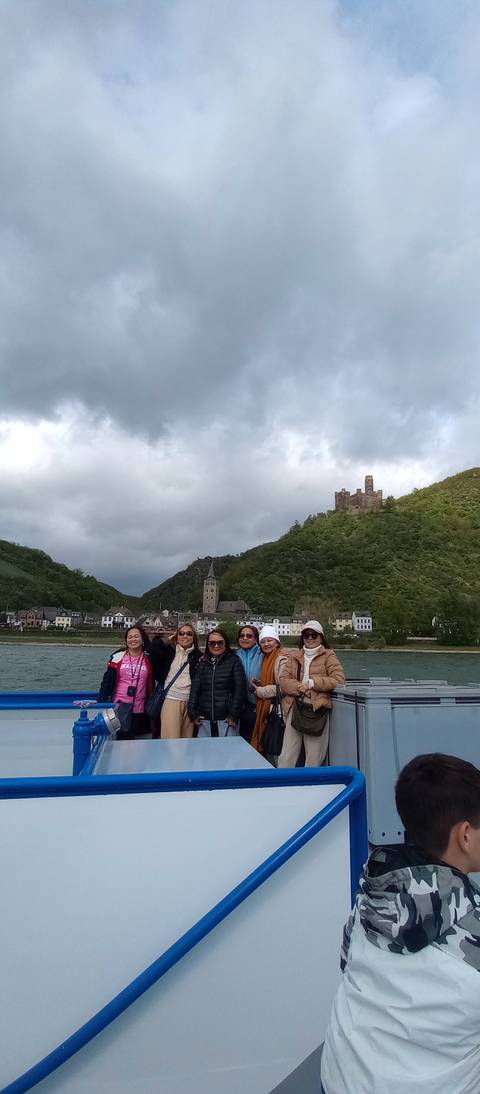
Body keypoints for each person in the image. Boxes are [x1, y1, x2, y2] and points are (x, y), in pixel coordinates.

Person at [321, 753, 480, 1094]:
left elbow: (345, 961)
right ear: (465, 835)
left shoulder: (371, 895)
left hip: (338, 1081)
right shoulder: (473, 932)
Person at [277, 620, 345, 767]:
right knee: (287, 753)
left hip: (317, 708)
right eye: (306, 635)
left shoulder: (329, 655)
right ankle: (281, 783)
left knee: (314, 754)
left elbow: (338, 679)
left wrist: (313, 683)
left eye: (313, 635)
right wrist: (298, 687)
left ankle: (311, 786)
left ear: (321, 637)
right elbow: (283, 680)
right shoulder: (294, 656)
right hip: (295, 705)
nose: (310, 638)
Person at [98, 624, 155, 739]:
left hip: (140, 709)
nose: (133, 639)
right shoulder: (117, 658)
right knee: (119, 743)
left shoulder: (149, 659)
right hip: (118, 708)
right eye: (129, 637)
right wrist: (101, 703)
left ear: (143, 640)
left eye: (136, 636)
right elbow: (106, 682)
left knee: (136, 745)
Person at [188, 629, 246, 737]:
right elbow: (195, 689)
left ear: (226, 643)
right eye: (212, 643)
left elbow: (239, 690)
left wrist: (233, 715)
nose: (216, 645)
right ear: (207, 644)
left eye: (220, 642)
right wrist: (192, 713)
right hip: (204, 718)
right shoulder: (203, 662)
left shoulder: (234, 661)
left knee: (227, 752)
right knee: (205, 751)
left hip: (226, 719)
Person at [148, 623, 202, 739]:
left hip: (190, 703)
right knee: (170, 741)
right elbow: (152, 648)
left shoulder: (199, 656)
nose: (185, 636)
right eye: (181, 633)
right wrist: (167, 640)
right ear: (176, 636)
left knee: (186, 741)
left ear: (194, 637)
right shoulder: (169, 652)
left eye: (189, 634)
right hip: (171, 700)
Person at [251, 625, 289, 757]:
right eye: (262, 641)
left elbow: (283, 687)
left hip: (279, 709)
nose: (266, 644)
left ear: (277, 642)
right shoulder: (266, 659)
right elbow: (272, 681)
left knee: (277, 747)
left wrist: (261, 691)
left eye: (269, 640)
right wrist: (261, 683)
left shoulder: (282, 659)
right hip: (270, 707)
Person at [236, 624, 263, 743]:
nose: (245, 638)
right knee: (243, 739)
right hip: (241, 704)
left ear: (255, 639)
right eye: (242, 636)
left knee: (259, 740)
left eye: (249, 636)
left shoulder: (263, 653)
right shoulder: (235, 655)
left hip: (258, 703)